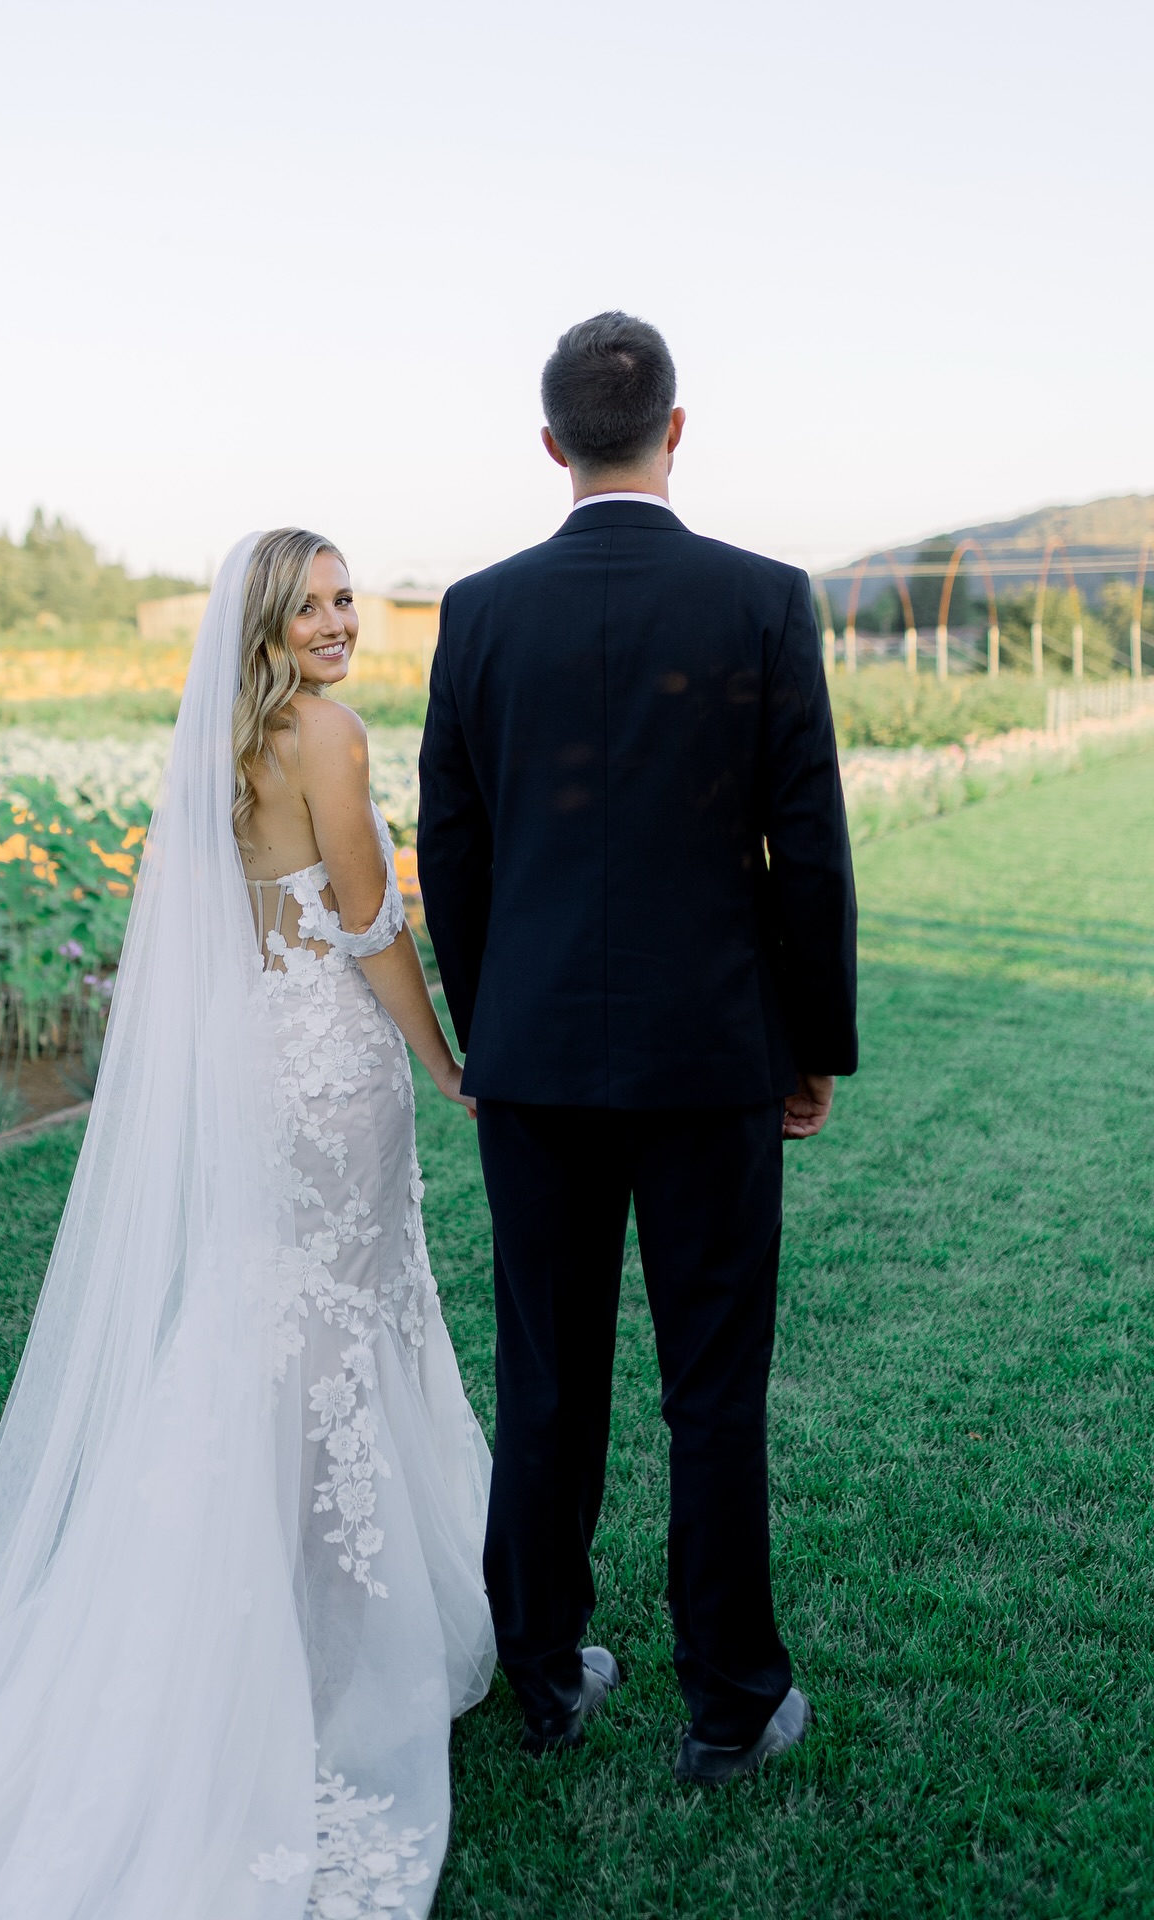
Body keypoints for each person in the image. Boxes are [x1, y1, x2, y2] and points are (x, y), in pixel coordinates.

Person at [0, 529, 494, 1918]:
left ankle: (224, 1617)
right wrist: (444, 1063)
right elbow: (373, 925)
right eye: (312, 607)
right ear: (265, 625)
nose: (339, 624)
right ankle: (326, 1654)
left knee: (276, 1336)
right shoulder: (329, 737)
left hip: (259, 1066)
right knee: (339, 1340)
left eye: (345, 601)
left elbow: (233, 931)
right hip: (332, 1076)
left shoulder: (217, 750)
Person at [418, 311, 858, 1782]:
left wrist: (492, 1027)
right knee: (713, 1388)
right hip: (713, 1055)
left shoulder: (479, 612)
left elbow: (453, 851)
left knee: (547, 1378)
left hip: (534, 1058)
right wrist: (812, 1041)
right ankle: (729, 1703)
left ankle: (544, 1674)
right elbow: (806, 845)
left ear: (551, 443)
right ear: (676, 429)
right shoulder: (761, 600)